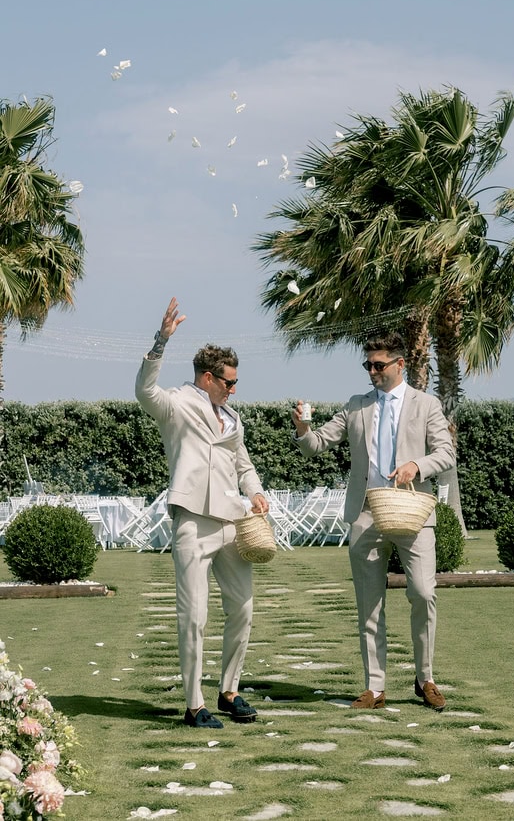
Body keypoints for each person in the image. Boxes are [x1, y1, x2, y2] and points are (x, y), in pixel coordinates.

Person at [292, 332, 455, 711]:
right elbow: (315, 445)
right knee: (369, 604)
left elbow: (446, 453)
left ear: (400, 364)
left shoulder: (426, 404)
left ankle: (425, 678)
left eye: (379, 365)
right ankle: (375, 688)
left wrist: (418, 464)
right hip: (365, 515)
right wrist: (302, 427)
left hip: (413, 512)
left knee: (423, 593)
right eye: (367, 365)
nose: (372, 372)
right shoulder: (356, 406)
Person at [135, 297, 269, 729]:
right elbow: (144, 390)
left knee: (243, 607)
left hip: (233, 521)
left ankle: (229, 690)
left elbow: (243, 463)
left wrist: (257, 493)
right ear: (208, 378)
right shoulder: (175, 404)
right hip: (192, 518)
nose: (234, 389)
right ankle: (194, 705)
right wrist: (161, 342)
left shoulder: (232, 417)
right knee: (194, 615)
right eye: (229, 382)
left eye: (236, 382)